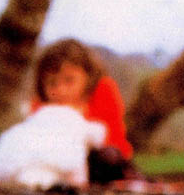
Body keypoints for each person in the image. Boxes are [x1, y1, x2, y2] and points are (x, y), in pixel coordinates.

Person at [32, 39, 138, 183]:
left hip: (101, 161)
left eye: (69, 80)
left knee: (108, 155)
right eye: (52, 83)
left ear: (87, 77)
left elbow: (114, 138)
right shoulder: (41, 106)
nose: (61, 90)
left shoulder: (103, 90)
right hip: (61, 164)